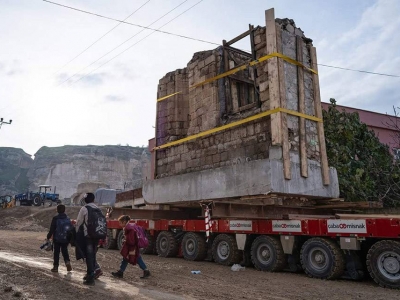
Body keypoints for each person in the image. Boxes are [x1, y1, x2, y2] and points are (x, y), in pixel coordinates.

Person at [75, 192, 103, 285]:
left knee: (88, 256)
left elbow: (78, 222)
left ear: (85, 200)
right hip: (97, 235)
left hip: (88, 236)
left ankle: (91, 276)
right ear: (93, 199)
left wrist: (76, 232)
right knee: (92, 255)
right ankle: (90, 273)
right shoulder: (98, 209)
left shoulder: (84, 208)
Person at [111, 215, 150, 279]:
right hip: (133, 246)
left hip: (132, 247)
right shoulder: (131, 226)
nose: (119, 224)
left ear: (124, 222)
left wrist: (126, 241)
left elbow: (131, 240)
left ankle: (146, 270)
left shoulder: (128, 228)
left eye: (120, 222)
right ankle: (121, 272)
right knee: (127, 258)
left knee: (136, 258)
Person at [47, 204, 72, 273]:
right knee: (65, 251)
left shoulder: (55, 218)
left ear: (57, 210)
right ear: (64, 210)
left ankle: (55, 267)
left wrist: (48, 236)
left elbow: (52, 229)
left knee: (56, 252)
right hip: (65, 239)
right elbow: (70, 229)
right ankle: (67, 263)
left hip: (57, 238)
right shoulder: (67, 218)